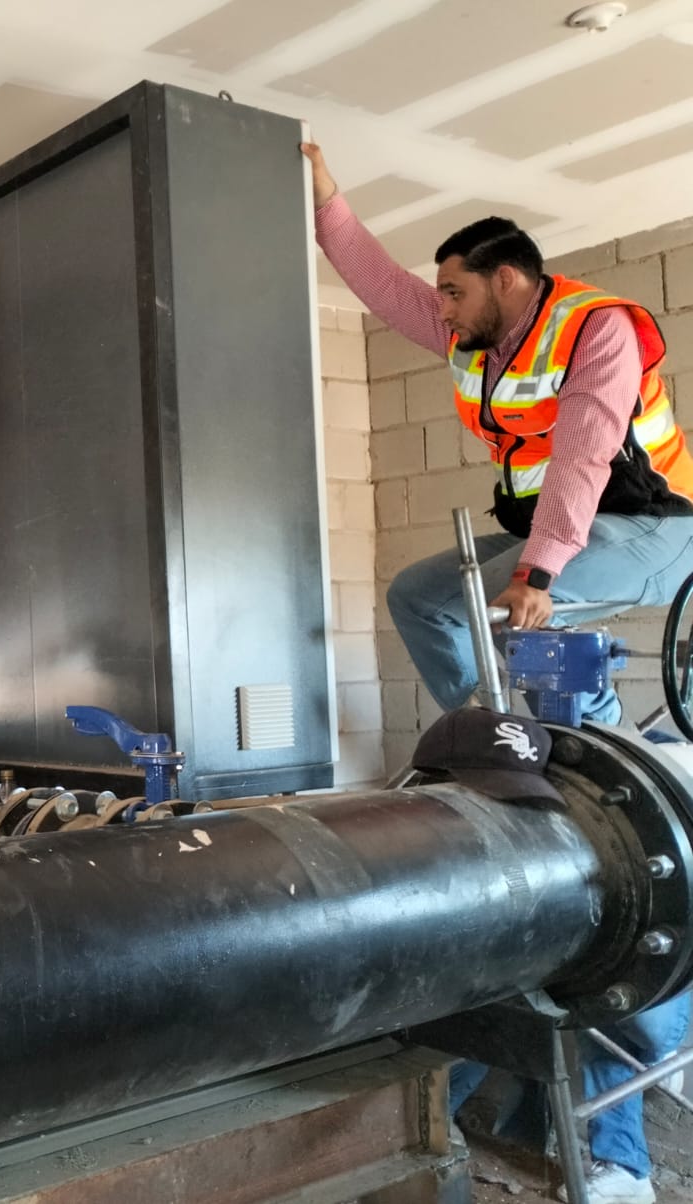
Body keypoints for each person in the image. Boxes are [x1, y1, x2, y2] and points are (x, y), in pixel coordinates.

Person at [301, 142, 693, 727]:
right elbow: (383, 285)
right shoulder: (473, 339)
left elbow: (582, 459)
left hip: (657, 527)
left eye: (454, 292)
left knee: (513, 609)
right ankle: (493, 730)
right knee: (418, 598)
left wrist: (534, 575)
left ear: (504, 280)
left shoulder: (594, 328)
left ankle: (603, 749)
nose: (443, 309)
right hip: (569, 531)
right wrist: (324, 199)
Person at [411, 711, 689, 1203]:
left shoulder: (662, 790)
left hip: (663, 916)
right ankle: (424, 1124)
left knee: (638, 1034)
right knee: (480, 1004)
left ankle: (626, 1167)